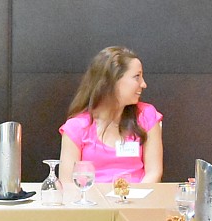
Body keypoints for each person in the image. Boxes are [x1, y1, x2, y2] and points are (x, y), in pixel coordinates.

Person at [58, 46, 163, 184]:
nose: (143, 84)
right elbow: (67, 183)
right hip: (91, 197)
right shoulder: (76, 127)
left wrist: (136, 196)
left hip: (138, 196)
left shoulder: (146, 116)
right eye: (137, 77)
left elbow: (154, 173)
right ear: (112, 81)